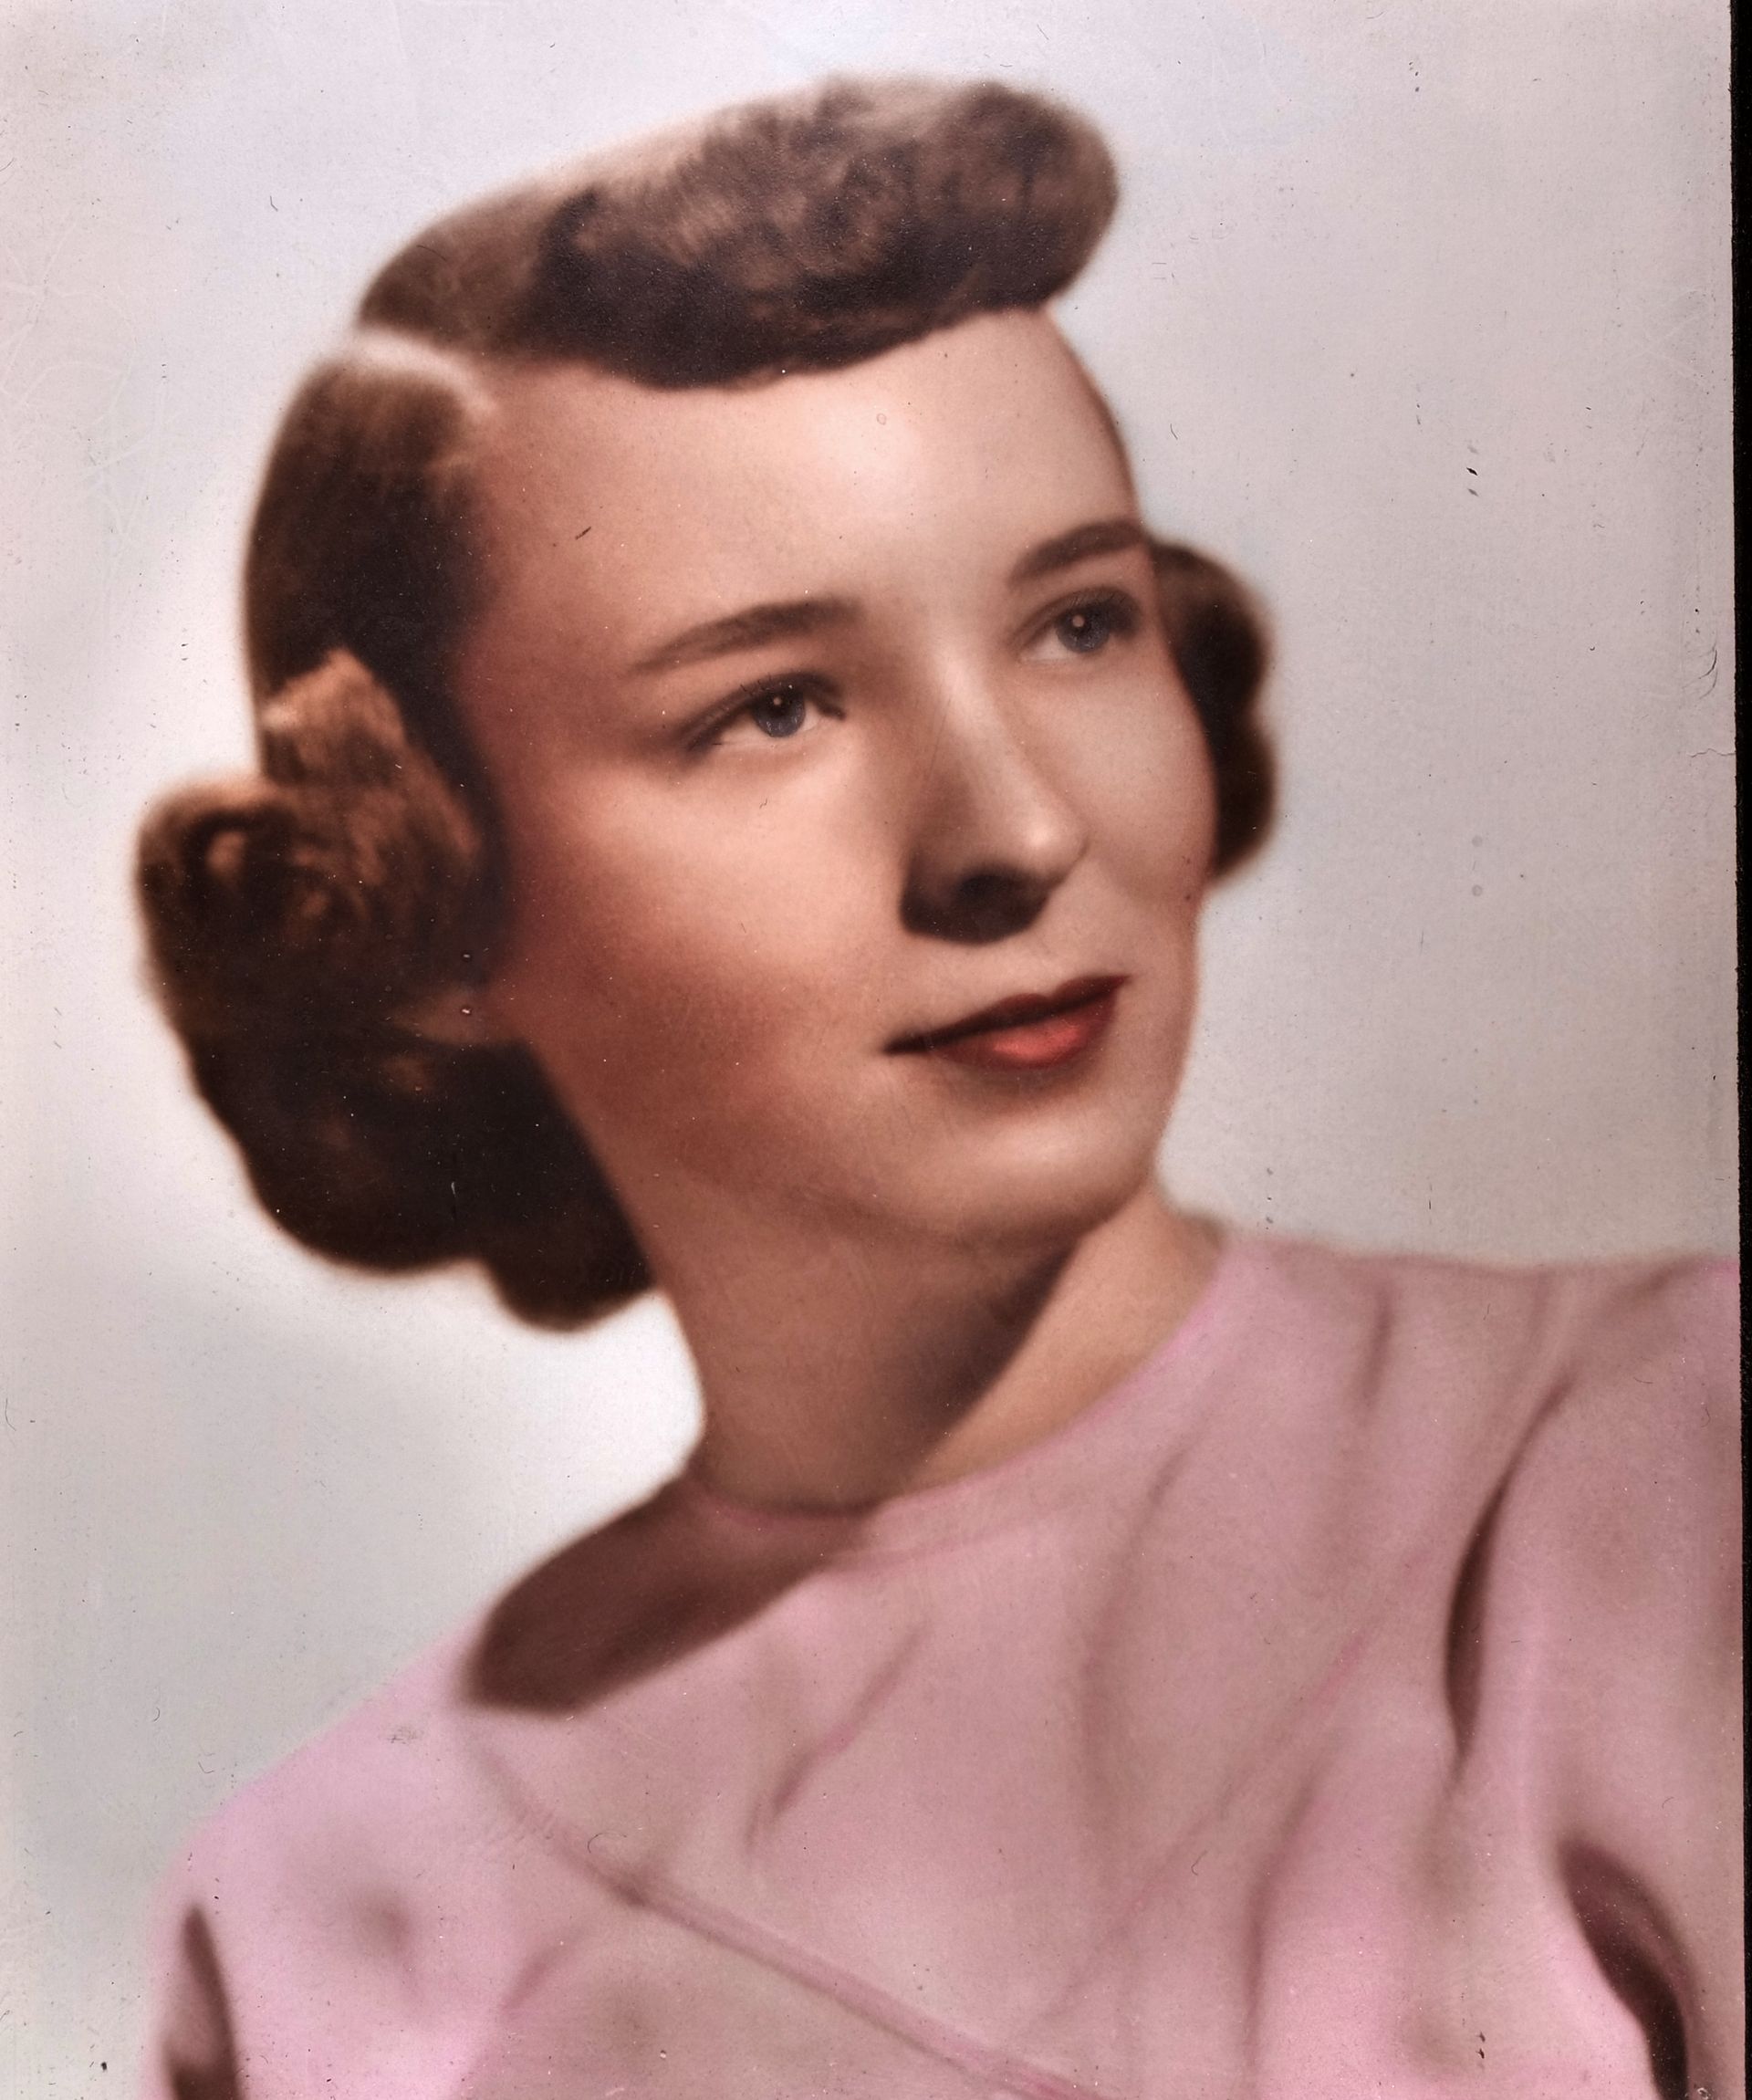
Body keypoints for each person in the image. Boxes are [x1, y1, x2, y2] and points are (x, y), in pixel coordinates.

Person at [133, 77, 1739, 2100]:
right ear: (427, 899)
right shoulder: (317, 1923)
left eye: (1078, 622)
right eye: (773, 706)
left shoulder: (1658, 1470)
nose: (1017, 828)